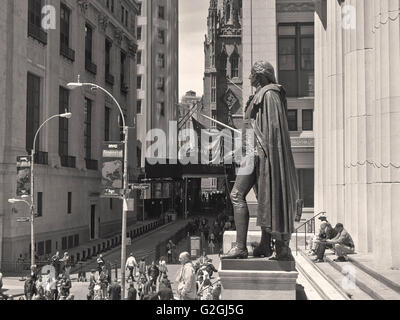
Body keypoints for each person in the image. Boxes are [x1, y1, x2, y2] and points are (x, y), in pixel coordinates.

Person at [222, 61, 299, 261]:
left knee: (237, 195)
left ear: (261, 76)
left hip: (258, 155)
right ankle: (265, 245)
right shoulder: (262, 95)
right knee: (266, 198)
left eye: (252, 75)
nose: (249, 78)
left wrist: (260, 156)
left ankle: (240, 247)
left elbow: (273, 132)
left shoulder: (269, 94)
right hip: (255, 154)